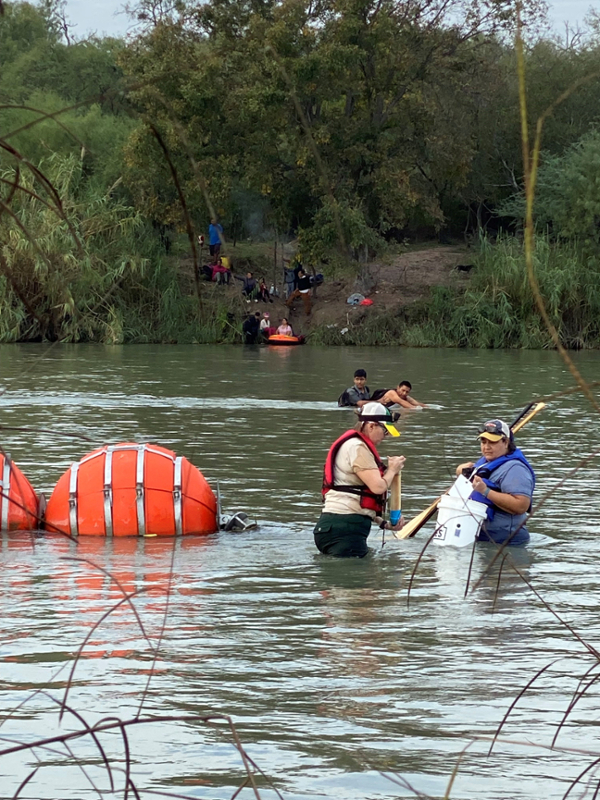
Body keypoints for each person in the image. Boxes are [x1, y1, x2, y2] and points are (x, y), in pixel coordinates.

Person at [314, 402, 405, 557]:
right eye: (384, 430)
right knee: (356, 580)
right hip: (346, 530)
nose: (386, 435)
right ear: (370, 426)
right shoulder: (358, 447)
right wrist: (392, 470)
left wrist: (383, 523)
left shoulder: (352, 445)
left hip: (330, 528)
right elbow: (378, 487)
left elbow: (351, 496)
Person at [456, 419, 535, 546]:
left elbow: (521, 505)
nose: (486, 447)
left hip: (507, 544)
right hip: (479, 538)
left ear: (506, 442)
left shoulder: (516, 469)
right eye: (483, 441)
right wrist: (461, 471)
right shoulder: (486, 462)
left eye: (492, 442)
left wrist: (485, 491)